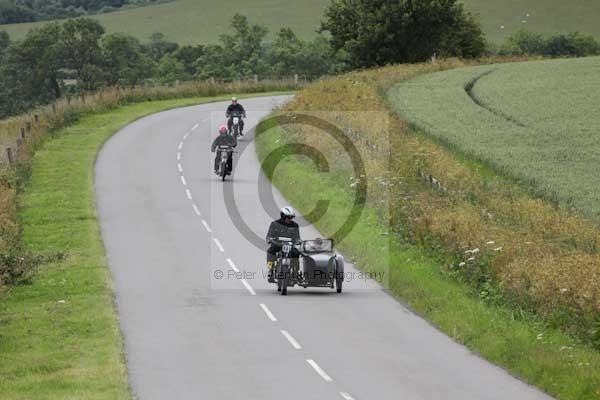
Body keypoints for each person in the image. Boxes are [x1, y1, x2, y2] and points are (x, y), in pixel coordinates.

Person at [266, 206, 301, 282]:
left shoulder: (295, 225)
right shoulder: (274, 224)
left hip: (290, 246)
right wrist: (270, 239)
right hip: (277, 245)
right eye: (288, 218)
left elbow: (297, 237)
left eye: (291, 218)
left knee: (296, 253)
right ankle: (271, 270)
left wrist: (298, 241)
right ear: (283, 216)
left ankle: (296, 272)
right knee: (270, 251)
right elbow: (269, 235)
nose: (290, 220)